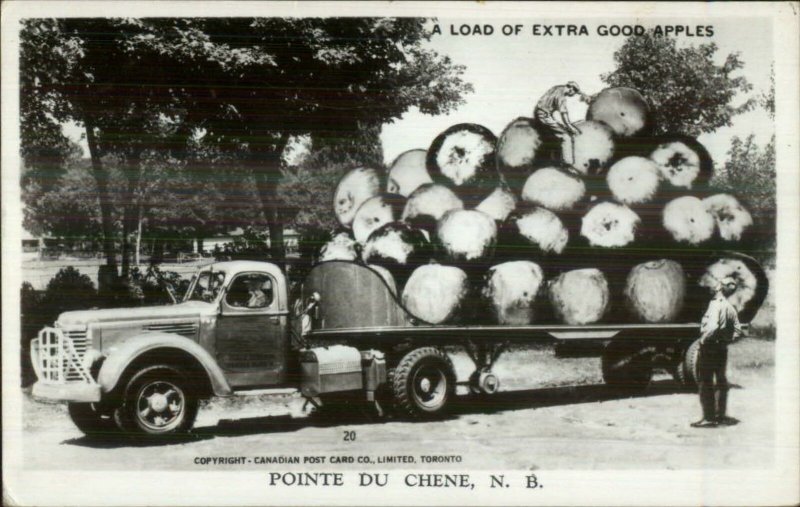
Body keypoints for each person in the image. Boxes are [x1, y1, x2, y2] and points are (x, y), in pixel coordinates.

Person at [691, 279, 744, 428]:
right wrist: (726, 340)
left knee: (705, 381)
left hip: (709, 347)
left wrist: (703, 340)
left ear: (720, 287)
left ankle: (708, 418)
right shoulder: (729, 307)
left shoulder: (715, 304)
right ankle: (720, 416)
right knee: (721, 380)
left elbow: (713, 327)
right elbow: (738, 330)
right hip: (721, 347)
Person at [533, 81, 590, 166]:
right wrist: (571, 127)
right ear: (571, 89)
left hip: (541, 112)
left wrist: (582, 94)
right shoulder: (561, 97)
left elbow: (574, 89)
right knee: (566, 136)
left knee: (561, 128)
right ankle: (568, 164)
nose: (572, 95)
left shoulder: (557, 87)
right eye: (573, 93)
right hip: (544, 116)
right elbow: (564, 114)